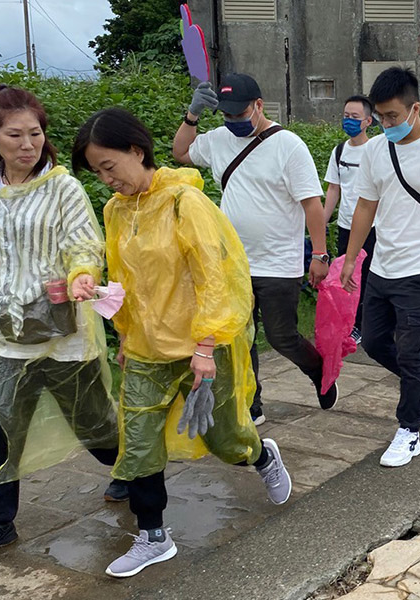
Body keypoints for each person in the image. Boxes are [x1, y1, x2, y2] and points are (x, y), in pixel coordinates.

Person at [74, 107, 292, 577]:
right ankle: (153, 536)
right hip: (147, 353)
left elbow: (217, 277)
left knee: (226, 439)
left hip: (202, 347)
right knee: (137, 444)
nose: (106, 180)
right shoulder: (116, 210)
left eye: (109, 167)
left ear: (137, 151)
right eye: (96, 173)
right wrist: (125, 329)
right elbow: (125, 276)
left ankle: (260, 454)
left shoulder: (183, 204)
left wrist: (206, 346)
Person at [0, 85, 123, 565]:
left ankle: (134, 469)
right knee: (0, 427)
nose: (29, 144)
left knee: (95, 424)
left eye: (36, 134)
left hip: (64, 332)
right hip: (7, 334)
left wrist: (83, 274)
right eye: (16, 135)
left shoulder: (64, 187)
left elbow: (84, 243)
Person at [173, 73, 333, 426]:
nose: (233, 122)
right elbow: (181, 152)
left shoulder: (288, 145)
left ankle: (319, 370)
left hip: (278, 265)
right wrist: (192, 115)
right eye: (227, 116)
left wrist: (320, 255)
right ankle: (252, 404)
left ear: (259, 105)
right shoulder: (218, 139)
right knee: (240, 340)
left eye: (240, 114)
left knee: (282, 337)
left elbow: (312, 203)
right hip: (233, 262)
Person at [338, 67, 420, 467]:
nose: (385, 124)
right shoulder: (377, 150)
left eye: (392, 116)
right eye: (379, 117)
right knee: (376, 342)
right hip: (382, 267)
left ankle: (409, 429)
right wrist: (350, 259)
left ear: (415, 108)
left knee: (412, 352)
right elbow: (365, 206)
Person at [324, 95, 376, 344]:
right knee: (348, 277)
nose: (349, 121)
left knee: (368, 277)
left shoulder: (376, 150)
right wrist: (321, 221)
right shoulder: (339, 151)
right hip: (346, 226)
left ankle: (363, 324)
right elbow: (334, 189)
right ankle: (350, 322)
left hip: (373, 228)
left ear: (368, 121)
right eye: (346, 116)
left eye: (355, 117)